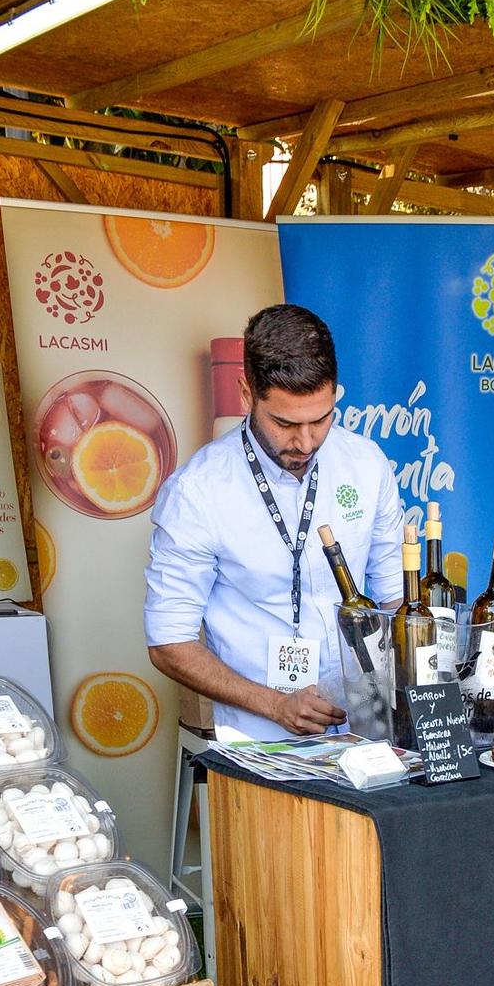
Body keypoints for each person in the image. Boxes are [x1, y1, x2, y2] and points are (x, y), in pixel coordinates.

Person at [145, 303, 404, 741]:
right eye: (285, 423)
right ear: (246, 395)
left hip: (368, 729)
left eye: (321, 419)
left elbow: (395, 599)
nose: (305, 442)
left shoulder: (366, 465)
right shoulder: (198, 492)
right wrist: (276, 705)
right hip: (260, 737)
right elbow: (168, 643)